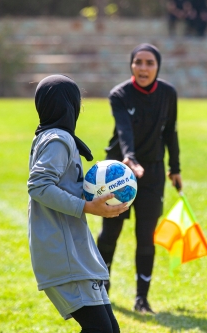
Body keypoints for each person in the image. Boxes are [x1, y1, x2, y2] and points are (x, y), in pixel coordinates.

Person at [27, 74, 128, 333]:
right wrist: (87, 207)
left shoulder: (49, 136)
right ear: (69, 104)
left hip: (74, 251)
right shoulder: (58, 139)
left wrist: (96, 193)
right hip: (65, 253)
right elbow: (38, 185)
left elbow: (59, 185)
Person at [97, 43, 182, 314]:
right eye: (138, 62)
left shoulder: (168, 94)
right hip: (118, 173)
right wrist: (130, 158)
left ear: (158, 66)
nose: (143, 68)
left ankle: (142, 299)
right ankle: (101, 289)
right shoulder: (119, 94)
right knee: (110, 233)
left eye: (149, 63)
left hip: (153, 174)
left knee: (146, 237)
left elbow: (171, 132)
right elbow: (124, 130)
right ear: (131, 65)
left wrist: (175, 168)